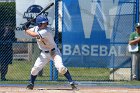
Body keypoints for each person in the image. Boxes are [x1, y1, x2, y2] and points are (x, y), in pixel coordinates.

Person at [22, 15, 77, 90]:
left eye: (46, 23)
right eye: (43, 23)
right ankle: (31, 84)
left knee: (61, 68)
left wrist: (25, 27)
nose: (45, 24)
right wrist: (27, 25)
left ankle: (72, 83)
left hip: (54, 52)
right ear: (39, 24)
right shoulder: (36, 28)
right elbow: (26, 32)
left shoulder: (46, 31)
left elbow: (32, 34)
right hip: (44, 54)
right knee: (35, 69)